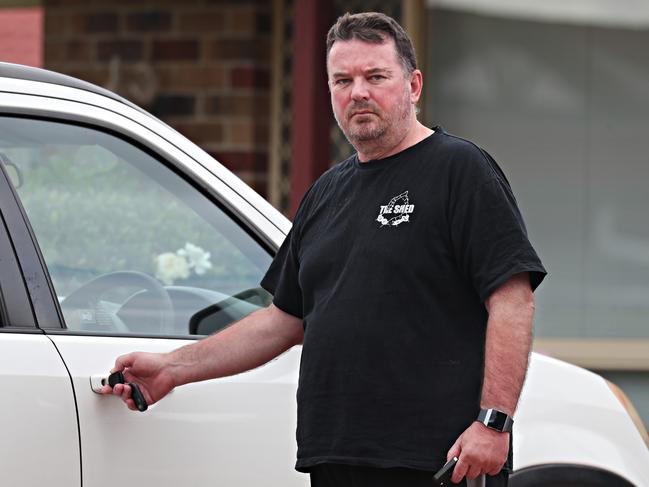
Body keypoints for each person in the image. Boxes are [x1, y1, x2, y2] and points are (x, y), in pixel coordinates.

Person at [105, 11, 546, 487]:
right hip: (336, 456)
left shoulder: (461, 171)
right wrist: (171, 368)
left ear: (413, 85)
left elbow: (512, 299)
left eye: (376, 76)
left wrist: (494, 421)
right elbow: (283, 319)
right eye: (343, 79)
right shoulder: (326, 192)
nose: (358, 91)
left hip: (438, 462)